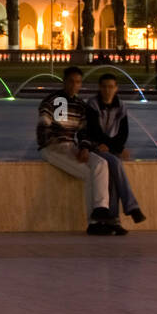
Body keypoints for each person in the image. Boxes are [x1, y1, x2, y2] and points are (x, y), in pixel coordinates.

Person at [37, 65, 123, 235]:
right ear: (64, 82)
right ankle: (94, 222)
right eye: (71, 81)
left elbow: (84, 131)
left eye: (77, 82)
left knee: (101, 163)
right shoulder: (54, 101)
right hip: (53, 148)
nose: (74, 85)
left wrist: (83, 148)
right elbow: (44, 127)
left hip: (71, 147)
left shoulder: (80, 105)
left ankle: (100, 210)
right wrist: (57, 143)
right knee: (90, 174)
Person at [85, 74, 146, 225]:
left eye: (111, 87)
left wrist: (114, 147)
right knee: (115, 163)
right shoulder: (92, 105)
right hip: (95, 147)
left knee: (113, 174)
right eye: (104, 86)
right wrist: (110, 147)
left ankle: (113, 220)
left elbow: (123, 132)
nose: (107, 90)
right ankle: (131, 207)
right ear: (99, 88)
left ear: (116, 88)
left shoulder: (121, 106)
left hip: (109, 149)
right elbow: (94, 132)